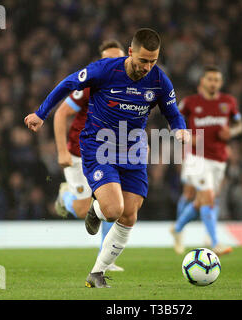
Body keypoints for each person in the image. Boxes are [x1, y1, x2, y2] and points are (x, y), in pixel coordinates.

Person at [24, 28, 190, 288]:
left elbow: (173, 113)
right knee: (114, 210)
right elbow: (68, 83)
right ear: (131, 52)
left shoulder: (159, 81)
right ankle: (96, 208)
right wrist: (41, 113)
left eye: (153, 61)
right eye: (143, 60)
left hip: (133, 152)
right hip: (99, 148)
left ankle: (97, 273)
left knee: (130, 216)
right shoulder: (104, 70)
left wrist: (179, 129)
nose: (147, 67)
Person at [53, 39, 126, 272]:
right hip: (77, 154)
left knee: (109, 203)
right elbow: (60, 114)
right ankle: (65, 197)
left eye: (118, 58)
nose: (114, 63)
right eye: (109, 59)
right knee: (85, 209)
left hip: (105, 154)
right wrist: (62, 151)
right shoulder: (88, 86)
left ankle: (106, 258)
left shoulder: (128, 90)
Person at [171, 65, 242, 256]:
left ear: (221, 83)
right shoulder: (190, 102)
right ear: (202, 81)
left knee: (202, 201)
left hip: (219, 159)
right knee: (205, 197)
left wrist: (232, 132)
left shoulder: (228, 102)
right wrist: (186, 136)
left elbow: (240, 125)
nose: (214, 83)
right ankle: (214, 241)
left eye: (217, 80)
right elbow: (174, 122)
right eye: (210, 79)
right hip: (197, 156)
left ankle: (177, 228)